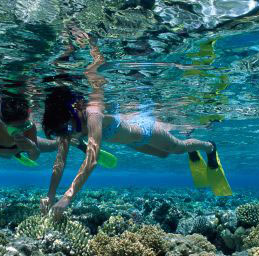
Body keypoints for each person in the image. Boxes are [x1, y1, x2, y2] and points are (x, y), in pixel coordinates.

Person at [40, 36, 232, 218]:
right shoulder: (64, 125)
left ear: (74, 112)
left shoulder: (93, 114)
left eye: (66, 129)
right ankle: (192, 147)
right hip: (131, 143)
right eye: (62, 132)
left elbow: (91, 160)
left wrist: (67, 197)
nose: (68, 134)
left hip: (145, 130)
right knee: (163, 154)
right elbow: (60, 161)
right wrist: (50, 195)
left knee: (176, 148)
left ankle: (208, 146)